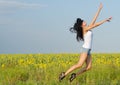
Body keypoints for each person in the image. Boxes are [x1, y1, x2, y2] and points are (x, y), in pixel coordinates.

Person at [59, 3, 112, 82]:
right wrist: (104, 20)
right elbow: (96, 25)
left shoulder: (88, 28)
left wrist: (99, 9)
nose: (85, 21)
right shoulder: (85, 29)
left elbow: (94, 20)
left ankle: (75, 75)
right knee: (79, 64)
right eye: (83, 21)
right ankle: (64, 74)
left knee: (89, 67)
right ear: (81, 25)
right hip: (85, 49)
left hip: (88, 50)